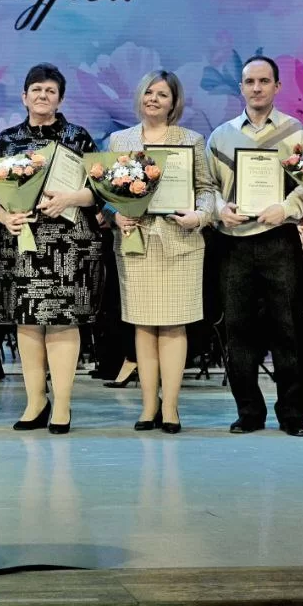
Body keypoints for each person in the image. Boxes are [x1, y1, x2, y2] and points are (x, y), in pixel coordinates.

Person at [206, 55, 303, 436]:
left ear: (277, 87)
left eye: (264, 81)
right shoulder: (220, 136)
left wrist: (285, 208)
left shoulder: (296, 132)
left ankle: (293, 416)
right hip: (233, 243)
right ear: (241, 88)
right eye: (250, 81)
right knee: (238, 331)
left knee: (289, 329)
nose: (257, 88)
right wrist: (220, 209)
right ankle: (249, 413)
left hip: (279, 239)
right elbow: (207, 187)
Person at [0, 64, 101, 434]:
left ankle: (63, 404)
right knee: (26, 320)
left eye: (50, 91)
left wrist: (70, 197)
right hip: (22, 242)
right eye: (36, 89)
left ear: (60, 99)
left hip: (69, 243)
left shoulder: (78, 137)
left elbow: (100, 191)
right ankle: (35, 401)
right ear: (24, 97)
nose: (43, 96)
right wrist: (4, 216)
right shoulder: (6, 140)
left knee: (61, 320)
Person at [107, 71, 216, 434]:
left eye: (163, 94)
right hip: (136, 242)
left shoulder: (191, 140)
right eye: (149, 92)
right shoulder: (120, 140)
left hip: (179, 242)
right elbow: (106, 192)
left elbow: (206, 189)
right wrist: (115, 214)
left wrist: (199, 216)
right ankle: (148, 406)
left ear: (174, 103)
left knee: (173, 324)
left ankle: (170, 407)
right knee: (142, 325)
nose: (154, 99)